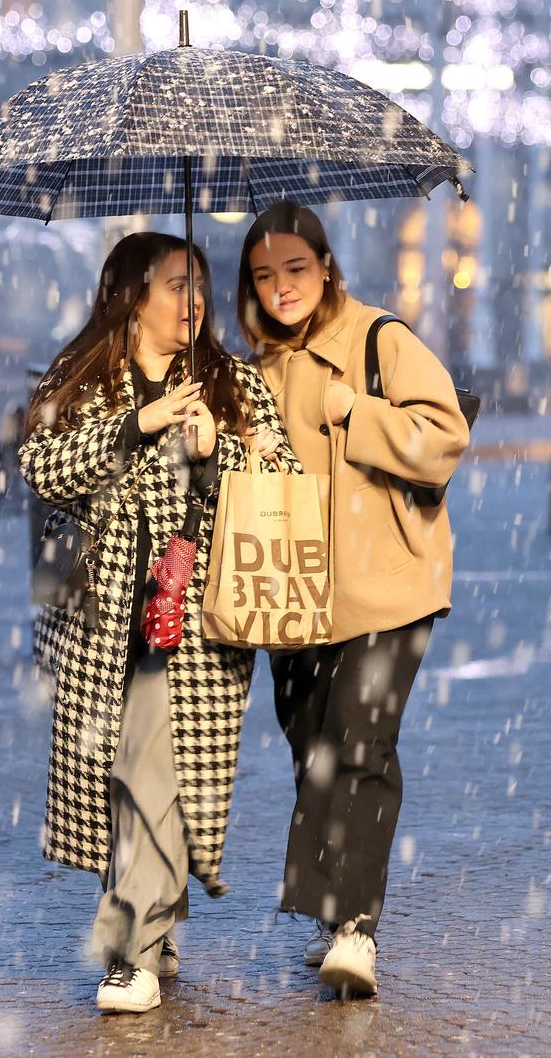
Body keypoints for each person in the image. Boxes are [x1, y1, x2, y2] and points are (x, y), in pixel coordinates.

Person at [20, 231, 296, 1015]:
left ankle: (132, 948)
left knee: (164, 777)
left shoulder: (230, 382)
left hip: (199, 621)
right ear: (131, 297)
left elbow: (285, 480)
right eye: (176, 285)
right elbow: (41, 467)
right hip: (101, 620)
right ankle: (147, 932)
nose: (194, 302)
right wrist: (134, 429)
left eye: (200, 286)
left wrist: (218, 455)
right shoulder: (82, 379)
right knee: (125, 781)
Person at [236, 200, 470, 998]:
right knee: (312, 747)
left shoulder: (379, 340)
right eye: (264, 276)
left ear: (326, 266)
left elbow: (443, 435)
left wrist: (355, 412)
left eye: (295, 269)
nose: (282, 288)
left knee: (360, 744)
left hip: (389, 585)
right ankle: (334, 906)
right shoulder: (254, 369)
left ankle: (353, 928)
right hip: (292, 590)